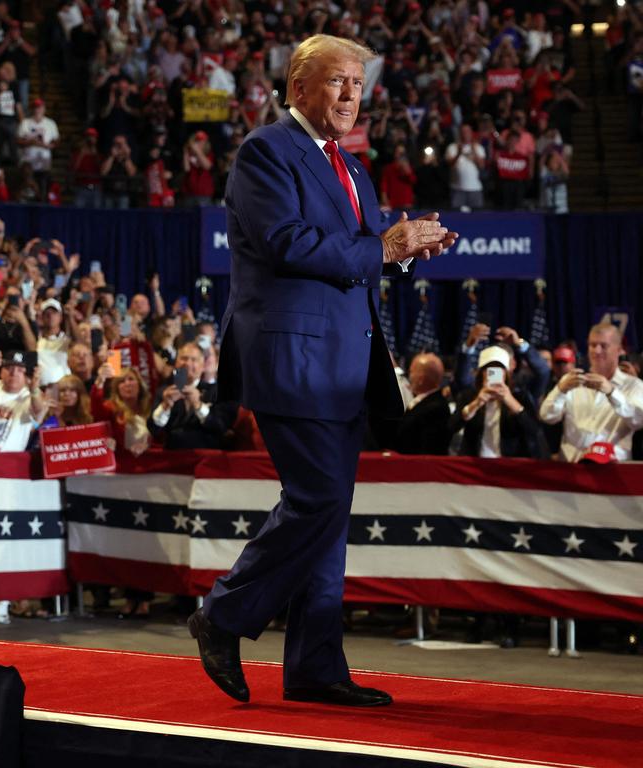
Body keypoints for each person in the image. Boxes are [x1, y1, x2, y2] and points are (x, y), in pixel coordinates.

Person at [188, 35, 457, 709]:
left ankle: (313, 666)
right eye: (336, 81)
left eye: (357, 85)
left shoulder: (356, 169)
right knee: (319, 500)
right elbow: (288, 244)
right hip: (292, 357)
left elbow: (361, 256)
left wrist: (403, 251)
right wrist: (382, 247)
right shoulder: (265, 152)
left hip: (344, 364)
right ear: (298, 88)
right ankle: (222, 615)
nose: (347, 95)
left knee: (329, 516)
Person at [539, 323, 643, 462]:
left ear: (619, 350)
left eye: (603, 346)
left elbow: (638, 421)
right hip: (571, 468)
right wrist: (560, 390)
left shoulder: (633, 385)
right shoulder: (572, 380)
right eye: (592, 345)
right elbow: (547, 416)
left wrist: (612, 393)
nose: (597, 351)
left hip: (613, 470)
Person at [449, 346, 548, 459]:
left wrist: (511, 402)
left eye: (499, 369)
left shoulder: (520, 397)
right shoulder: (468, 396)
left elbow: (534, 431)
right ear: (481, 373)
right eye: (490, 370)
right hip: (475, 463)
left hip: (508, 465)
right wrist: (476, 403)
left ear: (506, 373)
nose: (494, 374)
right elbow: (452, 426)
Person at [391, 352, 451, 455]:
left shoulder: (436, 408)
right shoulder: (425, 402)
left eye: (411, 372)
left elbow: (428, 450)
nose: (409, 377)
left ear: (420, 379)